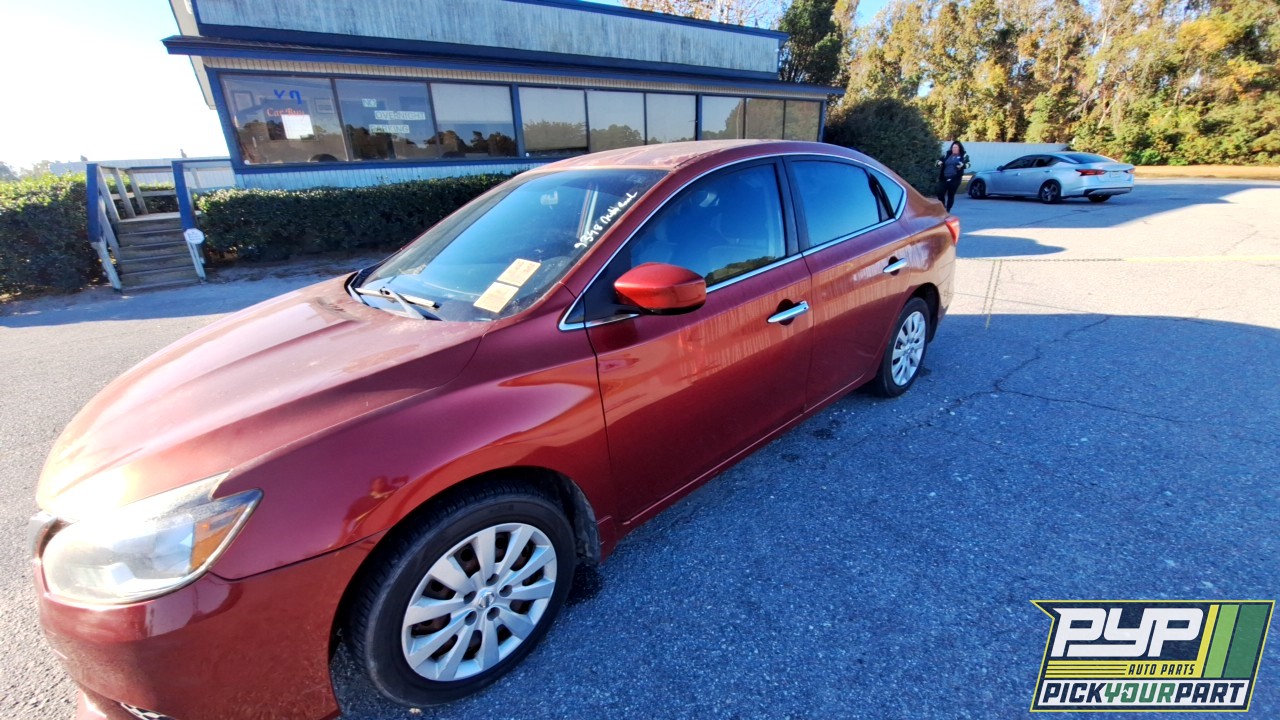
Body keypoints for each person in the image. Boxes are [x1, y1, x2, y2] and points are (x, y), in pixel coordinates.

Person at [935, 140, 970, 211]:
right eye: (953, 147)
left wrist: (962, 166)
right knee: (940, 193)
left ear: (959, 148)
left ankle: (948, 209)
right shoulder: (947, 154)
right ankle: (943, 208)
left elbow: (968, 164)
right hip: (944, 177)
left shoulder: (963, 155)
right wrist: (939, 163)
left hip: (955, 178)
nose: (954, 149)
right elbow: (937, 161)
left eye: (956, 147)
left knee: (951, 194)